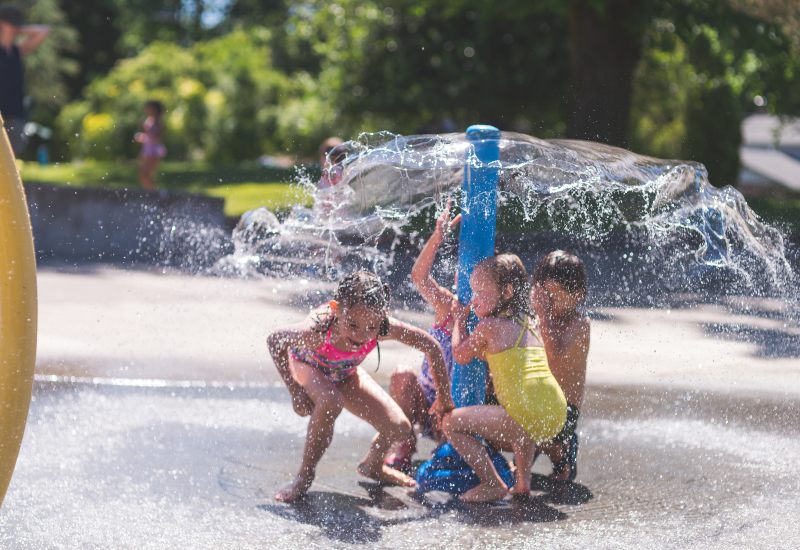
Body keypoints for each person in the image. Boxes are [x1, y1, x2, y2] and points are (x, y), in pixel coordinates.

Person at [267, 271, 454, 503]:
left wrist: (444, 398)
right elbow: (275, 340)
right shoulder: (318, 328)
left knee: (399, 428)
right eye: (353, 324)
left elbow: (432, 346)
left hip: (345, 372)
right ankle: (304, 476)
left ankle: (373, 465)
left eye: (371, 328)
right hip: (309, 367)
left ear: (382, 317)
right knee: (330, 401)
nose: (361, 335)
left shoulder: (383, 327)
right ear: (336, 309)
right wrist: (295, 391)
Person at [442, 253, 568, 502]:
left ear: (507, 291)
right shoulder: (529, 321)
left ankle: (492, 484)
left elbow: (460, 355)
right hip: (556, 412)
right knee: (523, 424)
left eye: (480, 293)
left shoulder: (488, 327)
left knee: (451, 423)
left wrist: (459, 322)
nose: (474, 301)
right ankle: (522, 483)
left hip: (525, 414)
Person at [385, 203, 461, 472]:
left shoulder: (489, 322)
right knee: (402, 375)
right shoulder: (447, 305)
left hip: (459, 405)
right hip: (427, 399)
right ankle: (404, 443)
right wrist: (436, 238)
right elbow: (419, 276)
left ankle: (454, 448)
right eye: (462, 274)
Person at [530, 250, 590, 483]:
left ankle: (563, 452)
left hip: (564, 412)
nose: (549, 304)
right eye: (544, 297)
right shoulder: (537, 320)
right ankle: (529, 455)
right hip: (536, 403)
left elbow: (554, 354)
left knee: (540, 432)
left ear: (578, 295)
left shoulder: (580, 324)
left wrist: (543, 315)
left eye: (554, 297)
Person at [0, 6, 49, 157]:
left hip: (15, 112)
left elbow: (44, 31)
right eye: (12, 24)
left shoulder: (16, 51)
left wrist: (20, 29)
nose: (15, 28)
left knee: (12, 157)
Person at [134, 99, 166, 191]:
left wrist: (143, 137)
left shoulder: (157, 122)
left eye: (149, 108)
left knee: (145, 174)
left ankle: (155, 193)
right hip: (147, 149)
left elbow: (156, 138)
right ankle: (152, 192)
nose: (146, 109)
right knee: (143, 174)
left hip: (153, 150)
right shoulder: (149, 120)